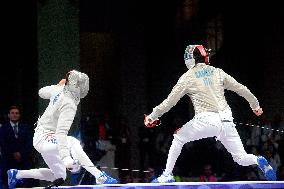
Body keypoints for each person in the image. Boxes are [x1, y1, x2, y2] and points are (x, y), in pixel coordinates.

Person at [144, 45, 277, 183]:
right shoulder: (217, 72)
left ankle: (167, 175)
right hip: (226, 120)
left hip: (206, 120)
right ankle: (257, 159)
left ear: (189, 60)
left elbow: (169, 102)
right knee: (241, 158)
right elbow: (240, 88)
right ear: (205, 58)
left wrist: (152, 116)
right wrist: (255, 105)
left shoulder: (187, 77)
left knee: (178, 138)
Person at [7, 70, 118, 189]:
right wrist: (67, 159)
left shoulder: (59, 89)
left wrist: (56, 87)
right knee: (72, 142)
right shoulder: (69, 104)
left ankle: (16, 174)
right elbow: (61, 133)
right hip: (45, 138)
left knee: (59, 175)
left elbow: (41, 92)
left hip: (44, 136)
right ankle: (99, 176)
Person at [0, 106, 37, 188]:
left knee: (26, 184)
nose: (14, 115)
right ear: (9, 115)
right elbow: (3, 144)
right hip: (8, 161)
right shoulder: (3, 128)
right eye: (12, 113)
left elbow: (29, 143)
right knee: (8, 184)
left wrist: (21, 154)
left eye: (16, 113)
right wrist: (14, 153)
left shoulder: (26, 128)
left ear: (19, 115)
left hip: (24, 160)